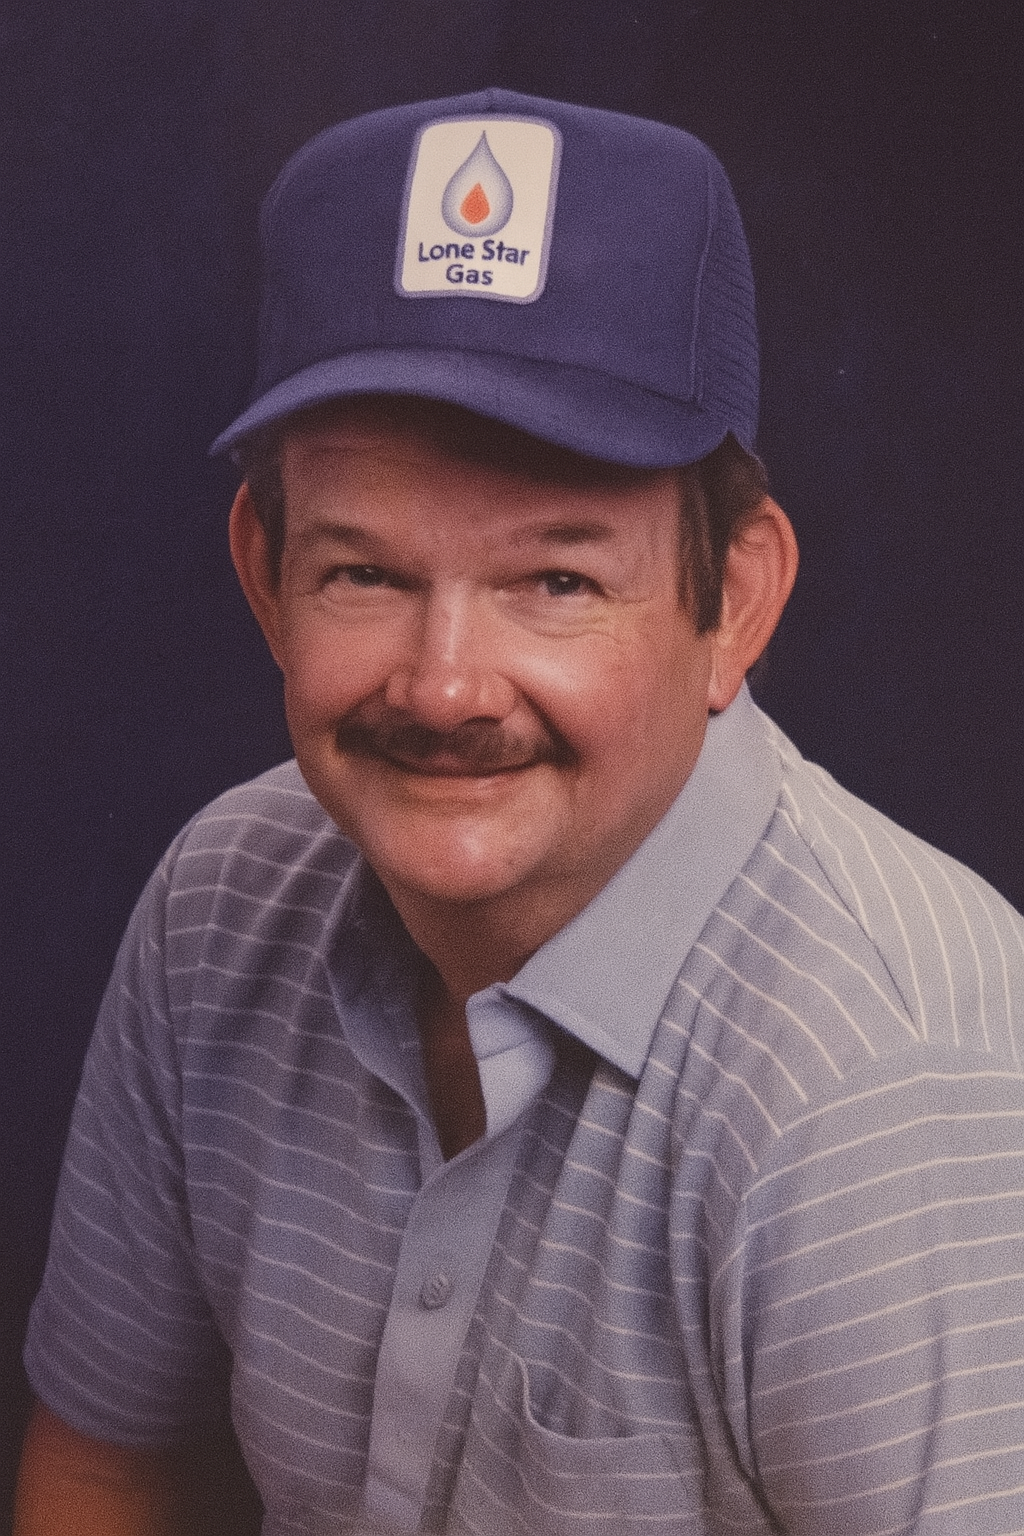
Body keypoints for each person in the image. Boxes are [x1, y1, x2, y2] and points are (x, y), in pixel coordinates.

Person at [16, 87, 1024, 1536]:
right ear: (265, 574)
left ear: (730, 601)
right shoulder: (218, 905)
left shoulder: (881, 1098)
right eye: (364, 571)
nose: (442, 686)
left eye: (556, 581)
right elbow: (106, 1465)